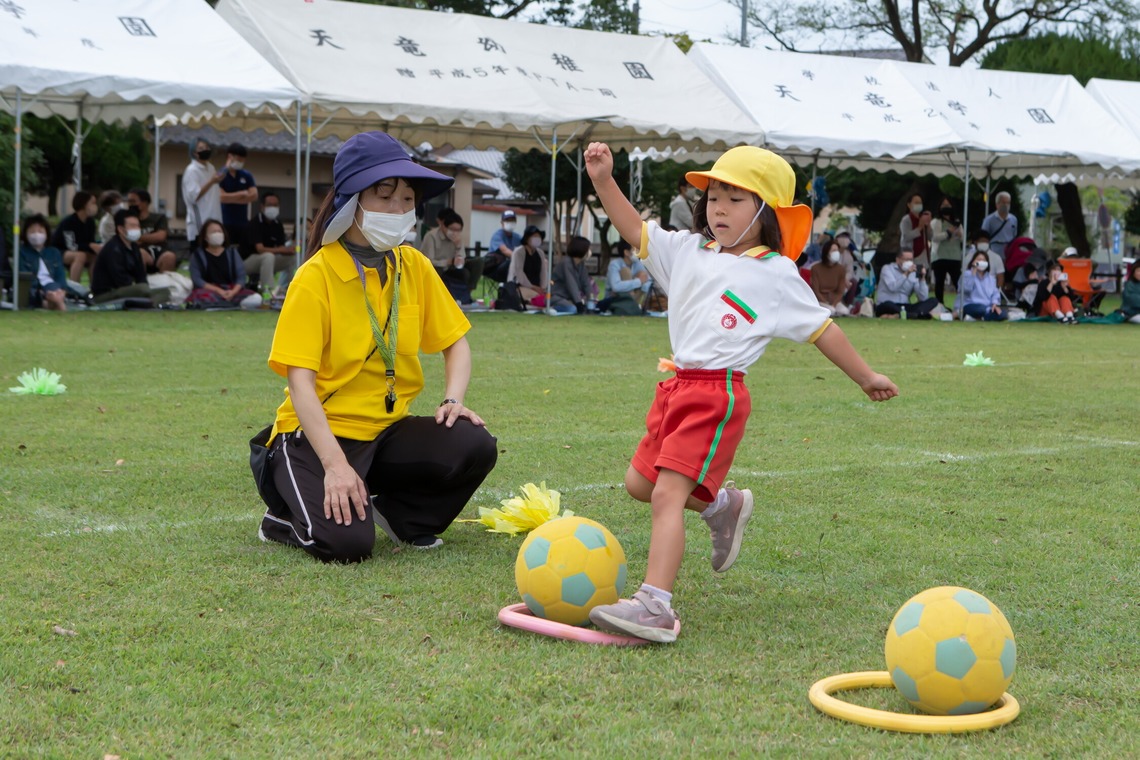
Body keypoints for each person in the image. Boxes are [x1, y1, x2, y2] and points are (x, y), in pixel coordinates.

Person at [581, 142, 898, 642]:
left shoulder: (774, 273)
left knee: (666, 495)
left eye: (735, 199)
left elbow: (823, 329)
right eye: (713, 197)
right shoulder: (686, 249)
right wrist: (603, 180)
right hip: (675, 387)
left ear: (765, 212)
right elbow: (634, 229)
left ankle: (655, 606)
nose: (718, 208)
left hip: (717, 395)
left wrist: (866, 376)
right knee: (639, 486)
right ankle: (722, 508)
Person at [254, 130, 497, 563]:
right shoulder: (316, 277)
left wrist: (453, 400)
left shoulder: (413, 264)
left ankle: (406, 518)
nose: (400, 210)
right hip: (314, 437)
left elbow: (455, 343)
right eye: (385, 197)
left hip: (385, 432)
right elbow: (301, 386)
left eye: (407, 199)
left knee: (473, 443)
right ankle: (281, 520)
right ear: (352, 202)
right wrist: (334, 464)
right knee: (347, 546)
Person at [90, 209, 170, 305]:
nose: (137, 229)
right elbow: (120, 280)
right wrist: (138, 287)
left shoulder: (134, 247)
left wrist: (142, 284)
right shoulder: (113, 249)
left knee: (166, 291)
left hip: (126, 289)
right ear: (120, 229)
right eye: (132, 226)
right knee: (143, 289)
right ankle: (147, 303)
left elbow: (141, 275)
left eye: (138, 226)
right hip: (107, 293)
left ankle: (147, 304)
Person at [186, 219, 262, 310]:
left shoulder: (232, 253)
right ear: (205, 237)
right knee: (203, 297)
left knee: (256, 298)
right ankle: (227, 306)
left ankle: (221, 306)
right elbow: (197, 279)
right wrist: (218, 291)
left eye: (219, 231)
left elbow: (241, 277)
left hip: (230, 289)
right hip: (210, 290)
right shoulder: (197, 255)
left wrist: (233, 292)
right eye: (213, 232)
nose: (217, 234)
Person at [244, 191, 294, 295]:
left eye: (275, 205)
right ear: (262, 207)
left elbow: (281, 246)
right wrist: (281, 250)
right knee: (268, 256)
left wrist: (288, 251)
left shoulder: (277, 224)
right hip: (247, 261)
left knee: (292, 259)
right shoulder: (255, 222)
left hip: (268, 261)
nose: (273, 208)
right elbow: (260, 249)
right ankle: (268, 293)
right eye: (270, 205)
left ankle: (290, 290)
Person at [18, 215, 69, 311]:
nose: (37, 235)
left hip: (53, 287)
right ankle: (59, 306)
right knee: (54, 296)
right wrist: (42, 292)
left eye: (40, 231)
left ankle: (53, 301)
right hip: (33, 290)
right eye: (32, 231)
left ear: (47, 233)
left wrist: (62, 291)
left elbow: (60, 276)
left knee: (54, 292)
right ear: (25, 233)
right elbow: (24, 278)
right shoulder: (22, 252)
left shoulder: (53, 252)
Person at [182, 138, 224, 249]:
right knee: (200, 257)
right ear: (195, 153)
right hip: (199, 222)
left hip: (214, 217)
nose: (205, 150)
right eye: (201, 148)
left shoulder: (211, 168)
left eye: (207, 147)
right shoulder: (192, 170)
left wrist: (227, 167)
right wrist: (211, 181)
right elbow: (193, 196)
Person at [52, 191, 102, 283]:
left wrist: (96, 247)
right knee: (81, 256)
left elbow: (89, 242)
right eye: (93, 203)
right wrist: (90, 245)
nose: (95, 206)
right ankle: (75, 288)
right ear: (84, 204)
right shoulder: (69, 222)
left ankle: (95, 288)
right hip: (59, 251)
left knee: (95, 257)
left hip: (77, 251)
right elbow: (71, 245)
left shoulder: (90, 222)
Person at [875, 249, 939, 319]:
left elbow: (923, 297)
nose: (909, 262)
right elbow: (893, 287)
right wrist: (906, 274)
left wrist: (922, 279)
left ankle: (906, 315)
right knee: (887, 304)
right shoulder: (887, 269)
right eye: (906, 259)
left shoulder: (913, 273)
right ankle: (917, 314)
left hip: (905, 306)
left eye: (911, 260)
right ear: (897, 260)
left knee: (933, 300)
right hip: (888, 304)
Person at [126, 188, 177, 274]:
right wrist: (149, 238)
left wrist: (137, 237)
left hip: (159, 251)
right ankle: (141, 283)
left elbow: (160, 236)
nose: (130, 204)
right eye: (129, 201)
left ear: (145, 202)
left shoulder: (158, 218)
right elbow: (126, 238)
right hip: (138, 251)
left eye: (133, 201)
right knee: (140, 253)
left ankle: (163, 285)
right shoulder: (127, 219)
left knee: (170, 257)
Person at [218, 143, 258, 249]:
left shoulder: (246, 175)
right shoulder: (221, 175)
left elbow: (254, 195)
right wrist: (241, 194)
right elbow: (221, 197)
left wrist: (230, 198)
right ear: (229, 157)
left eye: (242, 160)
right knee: (226, 249)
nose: (240, 162)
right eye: (238, 159)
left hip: (242, 222)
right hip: (225, 221)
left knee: (241, 251)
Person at [599, 238, 651, 314]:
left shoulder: (637, 263)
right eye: (634, 249)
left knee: (642, 275)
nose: (637, 251)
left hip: (633, 297)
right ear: (626, 252)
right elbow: (616, 287)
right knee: (625, 271)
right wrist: (638, 282)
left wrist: (641, 286)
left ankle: (634, 305)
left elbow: (648, 280)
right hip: (614, 299)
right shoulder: (615, 264)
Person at [929, 198, 963, 307]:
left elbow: (963, 238)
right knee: (939, 283)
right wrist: (948, 233)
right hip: (940, 257)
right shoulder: (935, 222)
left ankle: (961, 304)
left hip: (955, 257)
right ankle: (939, 305)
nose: (946, 206)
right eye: (943, 204)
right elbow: (934, 237)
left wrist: (959, 234)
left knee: (958, 282)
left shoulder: (957, 223)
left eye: (948, 204)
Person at [958, 250, 1008, 321]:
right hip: (970, 305)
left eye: (984, 260)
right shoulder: (967, 274)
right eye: (979, 259)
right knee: (981, 309)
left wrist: (994, 304)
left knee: (1003, 313)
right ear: (973, 261)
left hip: (987, 307)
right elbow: (966, 289)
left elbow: (995, 293)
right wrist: (973, 272)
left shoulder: (991, 278)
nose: (981, 261)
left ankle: (979, 318)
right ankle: (980, 317)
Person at [549, 236, 593, 314]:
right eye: (588, 249)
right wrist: (579, 303)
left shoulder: (581, 265)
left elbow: (586, 283)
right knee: (572, 309)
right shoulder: (566, 263)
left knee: (581, 309)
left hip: (568, 298)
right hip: (556, 297)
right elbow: (571, 284)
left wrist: (591, 301)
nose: (589, 252)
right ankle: (550, 308)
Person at [508, 224, 550, 305]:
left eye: (539, 237)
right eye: (534, 236)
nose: (537, 239)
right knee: (538, 298)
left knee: (546, 298)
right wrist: (532, 287)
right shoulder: (518, 252)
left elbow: (543, 273)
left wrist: (542, 288)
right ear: (527, 238)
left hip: (537, 288)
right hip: (520, 287)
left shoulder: (540, 253)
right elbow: (519, 274)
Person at [810, 239, 850, 316]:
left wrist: (834, 304)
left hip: (834, 301)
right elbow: (815, 290)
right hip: (820, 301)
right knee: (831, 311)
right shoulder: (815, 268)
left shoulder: (841, 269)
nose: (836, 253)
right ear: (827, 253)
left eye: (837, 250)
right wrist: (825, 302)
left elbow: (840, 291)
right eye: (834, 250)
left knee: (845, 311)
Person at [485, 210, 521, 282]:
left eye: (512, 220)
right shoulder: (497, 236)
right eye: (507, 220)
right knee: (510, 263)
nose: (510, 222)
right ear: (502, 223)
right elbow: (504, 250)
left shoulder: (518, 237)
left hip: (514, 267)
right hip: (496, 268)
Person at [980, 191, 1018, 261]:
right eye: (1003, 202)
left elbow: (1014, 236)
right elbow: (983, 238)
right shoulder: (989, 220)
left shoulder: (1013, 219)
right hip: (994, 253)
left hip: (1008, 254)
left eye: (1008, 203)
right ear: (997, 204)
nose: (1006, 205)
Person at [899, 193, 932, 269]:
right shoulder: (906, 219)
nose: (919, 205)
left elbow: (930, 237)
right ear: (909, 205)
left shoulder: (922, 218)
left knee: (922, 279)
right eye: (916, 203)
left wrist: (929, 224)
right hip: (910, 256)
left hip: (923, 256)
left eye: (920, 203)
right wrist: (919, 228)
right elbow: (906, 237)